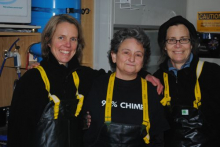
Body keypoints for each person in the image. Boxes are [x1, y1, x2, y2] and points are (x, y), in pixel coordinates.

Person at [7, 14, 162, 147]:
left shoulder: (84, 77)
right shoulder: (32, 80)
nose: (67, 45)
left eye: (73, 39)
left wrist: (145, 75)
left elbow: (122, 72)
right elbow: (17, 136)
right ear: (48, 40)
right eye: (61, 37)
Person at [83, 28, 169, 147]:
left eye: (138, 54)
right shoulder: (96, 84)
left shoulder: (151, 91)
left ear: (143, 61)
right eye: (126, 52)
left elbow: (158, 139)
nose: (132, 59)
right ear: (113, 55)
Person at [153, 15, 220, 146]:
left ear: (191, 44)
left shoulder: (213, 73)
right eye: (172, 40)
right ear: (164, 46)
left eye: (183, 39)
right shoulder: (156, 79)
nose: (178, 45)